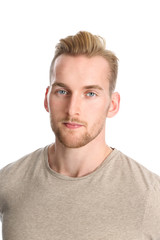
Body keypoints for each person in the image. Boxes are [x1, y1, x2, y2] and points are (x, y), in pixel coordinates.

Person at [0, 31, 160, 240]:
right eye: (63, 92)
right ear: (47, 98)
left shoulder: (151, 195)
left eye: (90, 93)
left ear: (113, 105)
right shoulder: (9, 182)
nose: (72, 109)